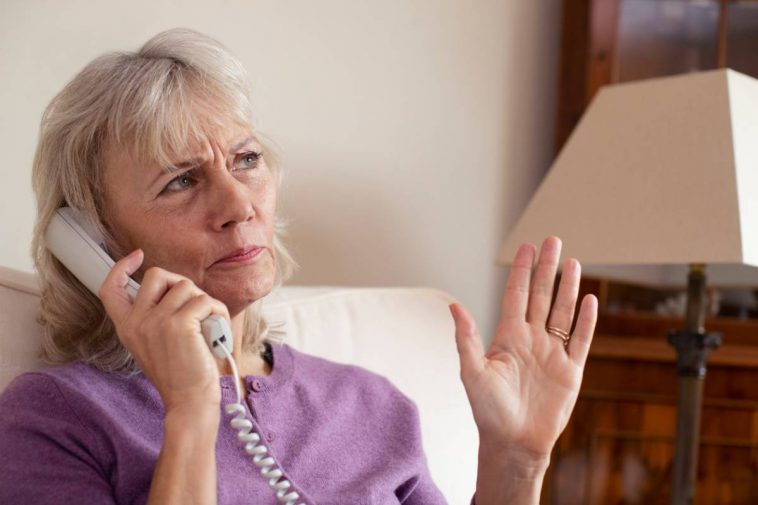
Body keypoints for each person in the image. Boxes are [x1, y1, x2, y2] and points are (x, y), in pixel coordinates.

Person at [0, 29, 597, 505]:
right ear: (94, 239)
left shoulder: (369, 404)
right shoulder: (54, 417)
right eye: (181, 181)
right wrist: (190, 408)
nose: (239, 206)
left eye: (247, 160)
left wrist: (517, 462)